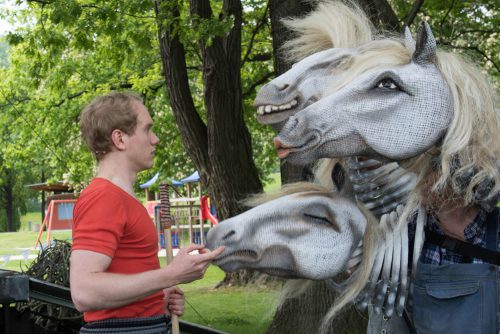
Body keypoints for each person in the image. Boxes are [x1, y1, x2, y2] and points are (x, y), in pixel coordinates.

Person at [70, 92, 225, 333]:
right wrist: (169, 275)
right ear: (120, 139)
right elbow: (84, 292)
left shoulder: (123, 198)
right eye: (147, 130)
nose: (156, 139)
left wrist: (157, 296)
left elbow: (124, 280)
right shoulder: (103, 197)